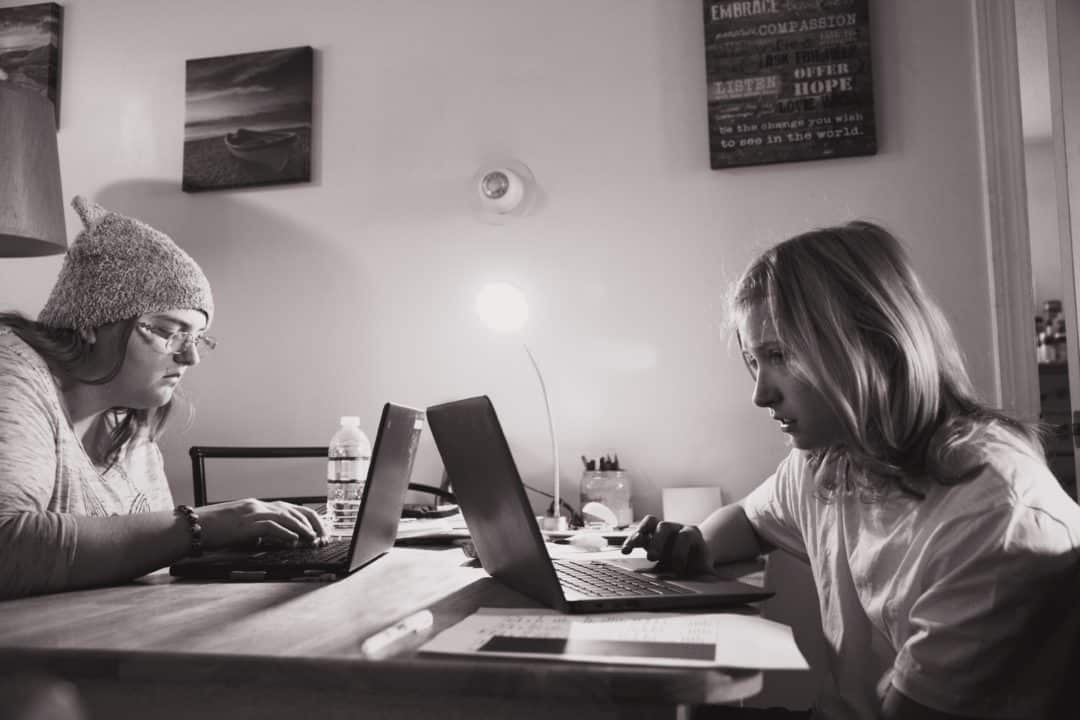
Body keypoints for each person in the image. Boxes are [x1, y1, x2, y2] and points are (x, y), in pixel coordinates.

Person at [622, 221, 1080, 720]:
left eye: (780, 354)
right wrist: (698, 543)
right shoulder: (834, 455)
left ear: (873, 342)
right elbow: (750, 520)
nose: (760, 393)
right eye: (755, 361)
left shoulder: (992, 513)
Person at [0, 196, 325, 600]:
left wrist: (231, 544)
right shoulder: (11, 369)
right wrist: (202, 525)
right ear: (90, 321)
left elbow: (151, 560)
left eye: (197, 339)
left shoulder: (127, 421)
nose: (189, 357)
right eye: (170, 332)